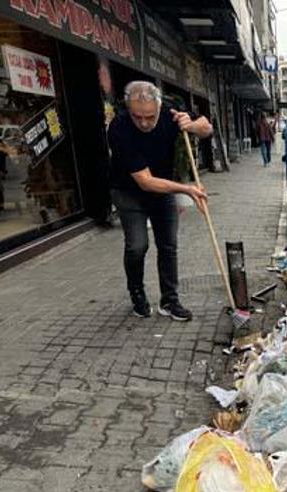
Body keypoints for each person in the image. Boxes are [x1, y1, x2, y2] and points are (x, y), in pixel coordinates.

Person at [107, 81, 213, 321]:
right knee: (137, 245)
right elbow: (145, 181)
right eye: (138, 117)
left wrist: (192, 124)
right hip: (128, 191)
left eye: (150, 117)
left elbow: (207, 128)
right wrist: (187, 189)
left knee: (168, 245)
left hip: (162, 190)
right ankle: (137, 293)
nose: (144, 123)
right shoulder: (118, 128)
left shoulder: (171, 111)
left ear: (158, 105)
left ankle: (170, 300)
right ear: (128, 108)